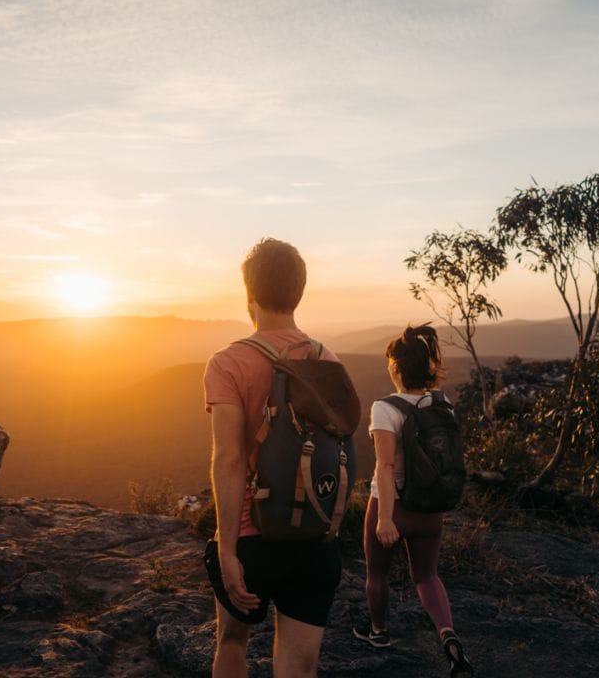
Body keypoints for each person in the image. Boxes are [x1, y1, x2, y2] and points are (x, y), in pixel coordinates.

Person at [202, 238, 343, 678]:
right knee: (300, 668)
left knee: (231, 643)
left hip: (252, 537)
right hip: (315, 540)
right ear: (298, 292)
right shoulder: (327, 360)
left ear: (250, 294)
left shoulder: (228, 363)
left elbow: (228, 460)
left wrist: (227, 550)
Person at [352, 324, 474, 677]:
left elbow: (386, 466)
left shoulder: (384, 408)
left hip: (393, 507)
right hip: (431, 507)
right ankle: (448, 636)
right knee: (426, 577)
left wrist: (385, 518)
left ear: (397, 368)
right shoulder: (442, 402)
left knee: (377, 572)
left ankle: (377, 632)